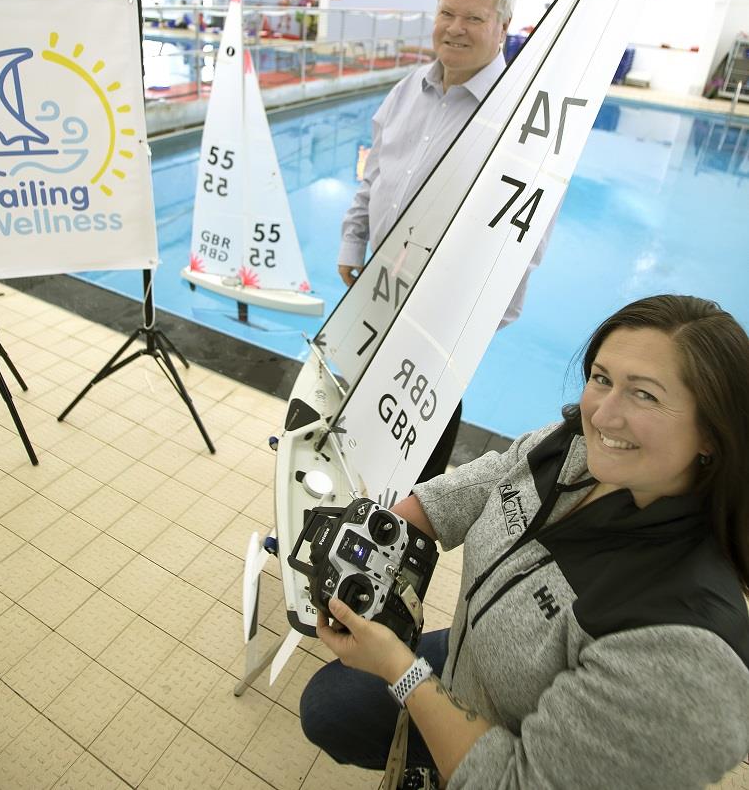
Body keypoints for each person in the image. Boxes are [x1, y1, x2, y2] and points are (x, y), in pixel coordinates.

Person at [300, 294, 749, 790]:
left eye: (644, 394)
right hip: (469, 657)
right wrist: (381, 533)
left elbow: (520, 781)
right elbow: (485, 482)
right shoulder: (570, 449)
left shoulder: (684, 656)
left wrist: (399, 670)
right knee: (327, 708)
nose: (602, 416)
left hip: (514, 747)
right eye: (601, 379)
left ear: (712, 431)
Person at [338, 0, 554, 480]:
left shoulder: (518, 122)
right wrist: (352, 245)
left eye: (474, 18)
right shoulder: (404, 92)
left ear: (503, 25)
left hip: (438, 331)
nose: (455, 29)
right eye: (447, 12)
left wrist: (463, 330)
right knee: (351, 431)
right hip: (375, 300)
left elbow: (524, 247)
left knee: (410, 468)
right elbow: (372, 180)